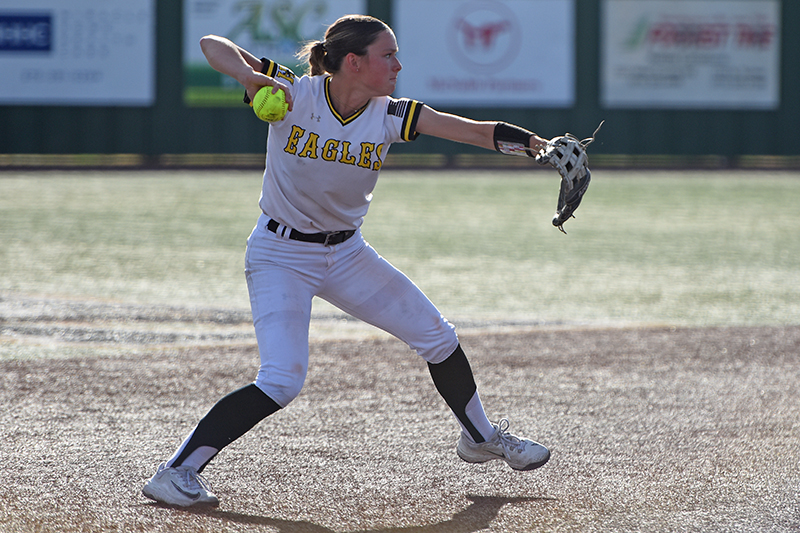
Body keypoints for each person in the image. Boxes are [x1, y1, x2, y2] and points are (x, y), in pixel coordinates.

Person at [143, 14, 551, 508]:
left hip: (346, 253)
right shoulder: (294, 91)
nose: (398, 65)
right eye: (388, 54)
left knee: (438, 336)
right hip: (281, 254)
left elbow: (471, 131)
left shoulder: (391, 113)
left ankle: (481, 437)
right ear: (353, 62)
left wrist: (538, 146)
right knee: (282, 379)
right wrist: (249, 77)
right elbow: (212, 43)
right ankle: (177, 471)